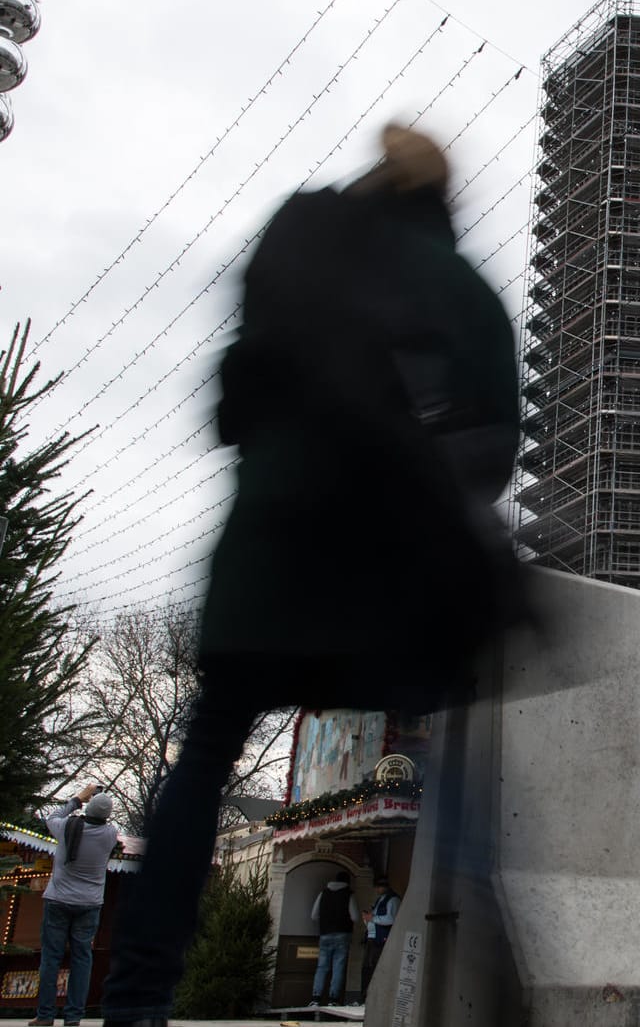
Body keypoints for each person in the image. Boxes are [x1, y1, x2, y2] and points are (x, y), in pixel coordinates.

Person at [98, 125, 527, 1027]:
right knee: (452, 765)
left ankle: (137, 1001)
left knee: (207, 751)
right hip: (397, 563)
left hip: (274, 541)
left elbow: (231, 388)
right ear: (443, 200)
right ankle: (500, 989)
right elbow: (491, 449)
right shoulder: (465, 292)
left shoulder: (298, 237)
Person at [29, 786, 119, 1027]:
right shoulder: (110, 834)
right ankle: (73, 1016)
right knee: (82, 958)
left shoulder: (66, 829)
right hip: (89, 904)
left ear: (88, 808)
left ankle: (46, 1015)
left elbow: (53, 817)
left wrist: (79, 798)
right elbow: (103, 823)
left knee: (51, 958)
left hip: (58, 900)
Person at [310, 874, 358, 1006]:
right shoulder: (349, 894)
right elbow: (354, 916)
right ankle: (333, 999)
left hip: (325, 934)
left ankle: (316, 998)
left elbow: (314, 915)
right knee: (338, 966)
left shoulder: (323, 893)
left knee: (322, 967)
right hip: (343, 934)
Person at [360, 875, 400, 999]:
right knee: (367, 967)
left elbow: (391, 919)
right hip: (372, 937)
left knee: (375, 967)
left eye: (379, 887)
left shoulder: (393, 900)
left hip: (381, 939)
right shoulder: (380, 900)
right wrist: (368, 919)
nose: (376, 889)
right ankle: (364, 996)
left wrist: (372, 918)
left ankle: (371, 996)